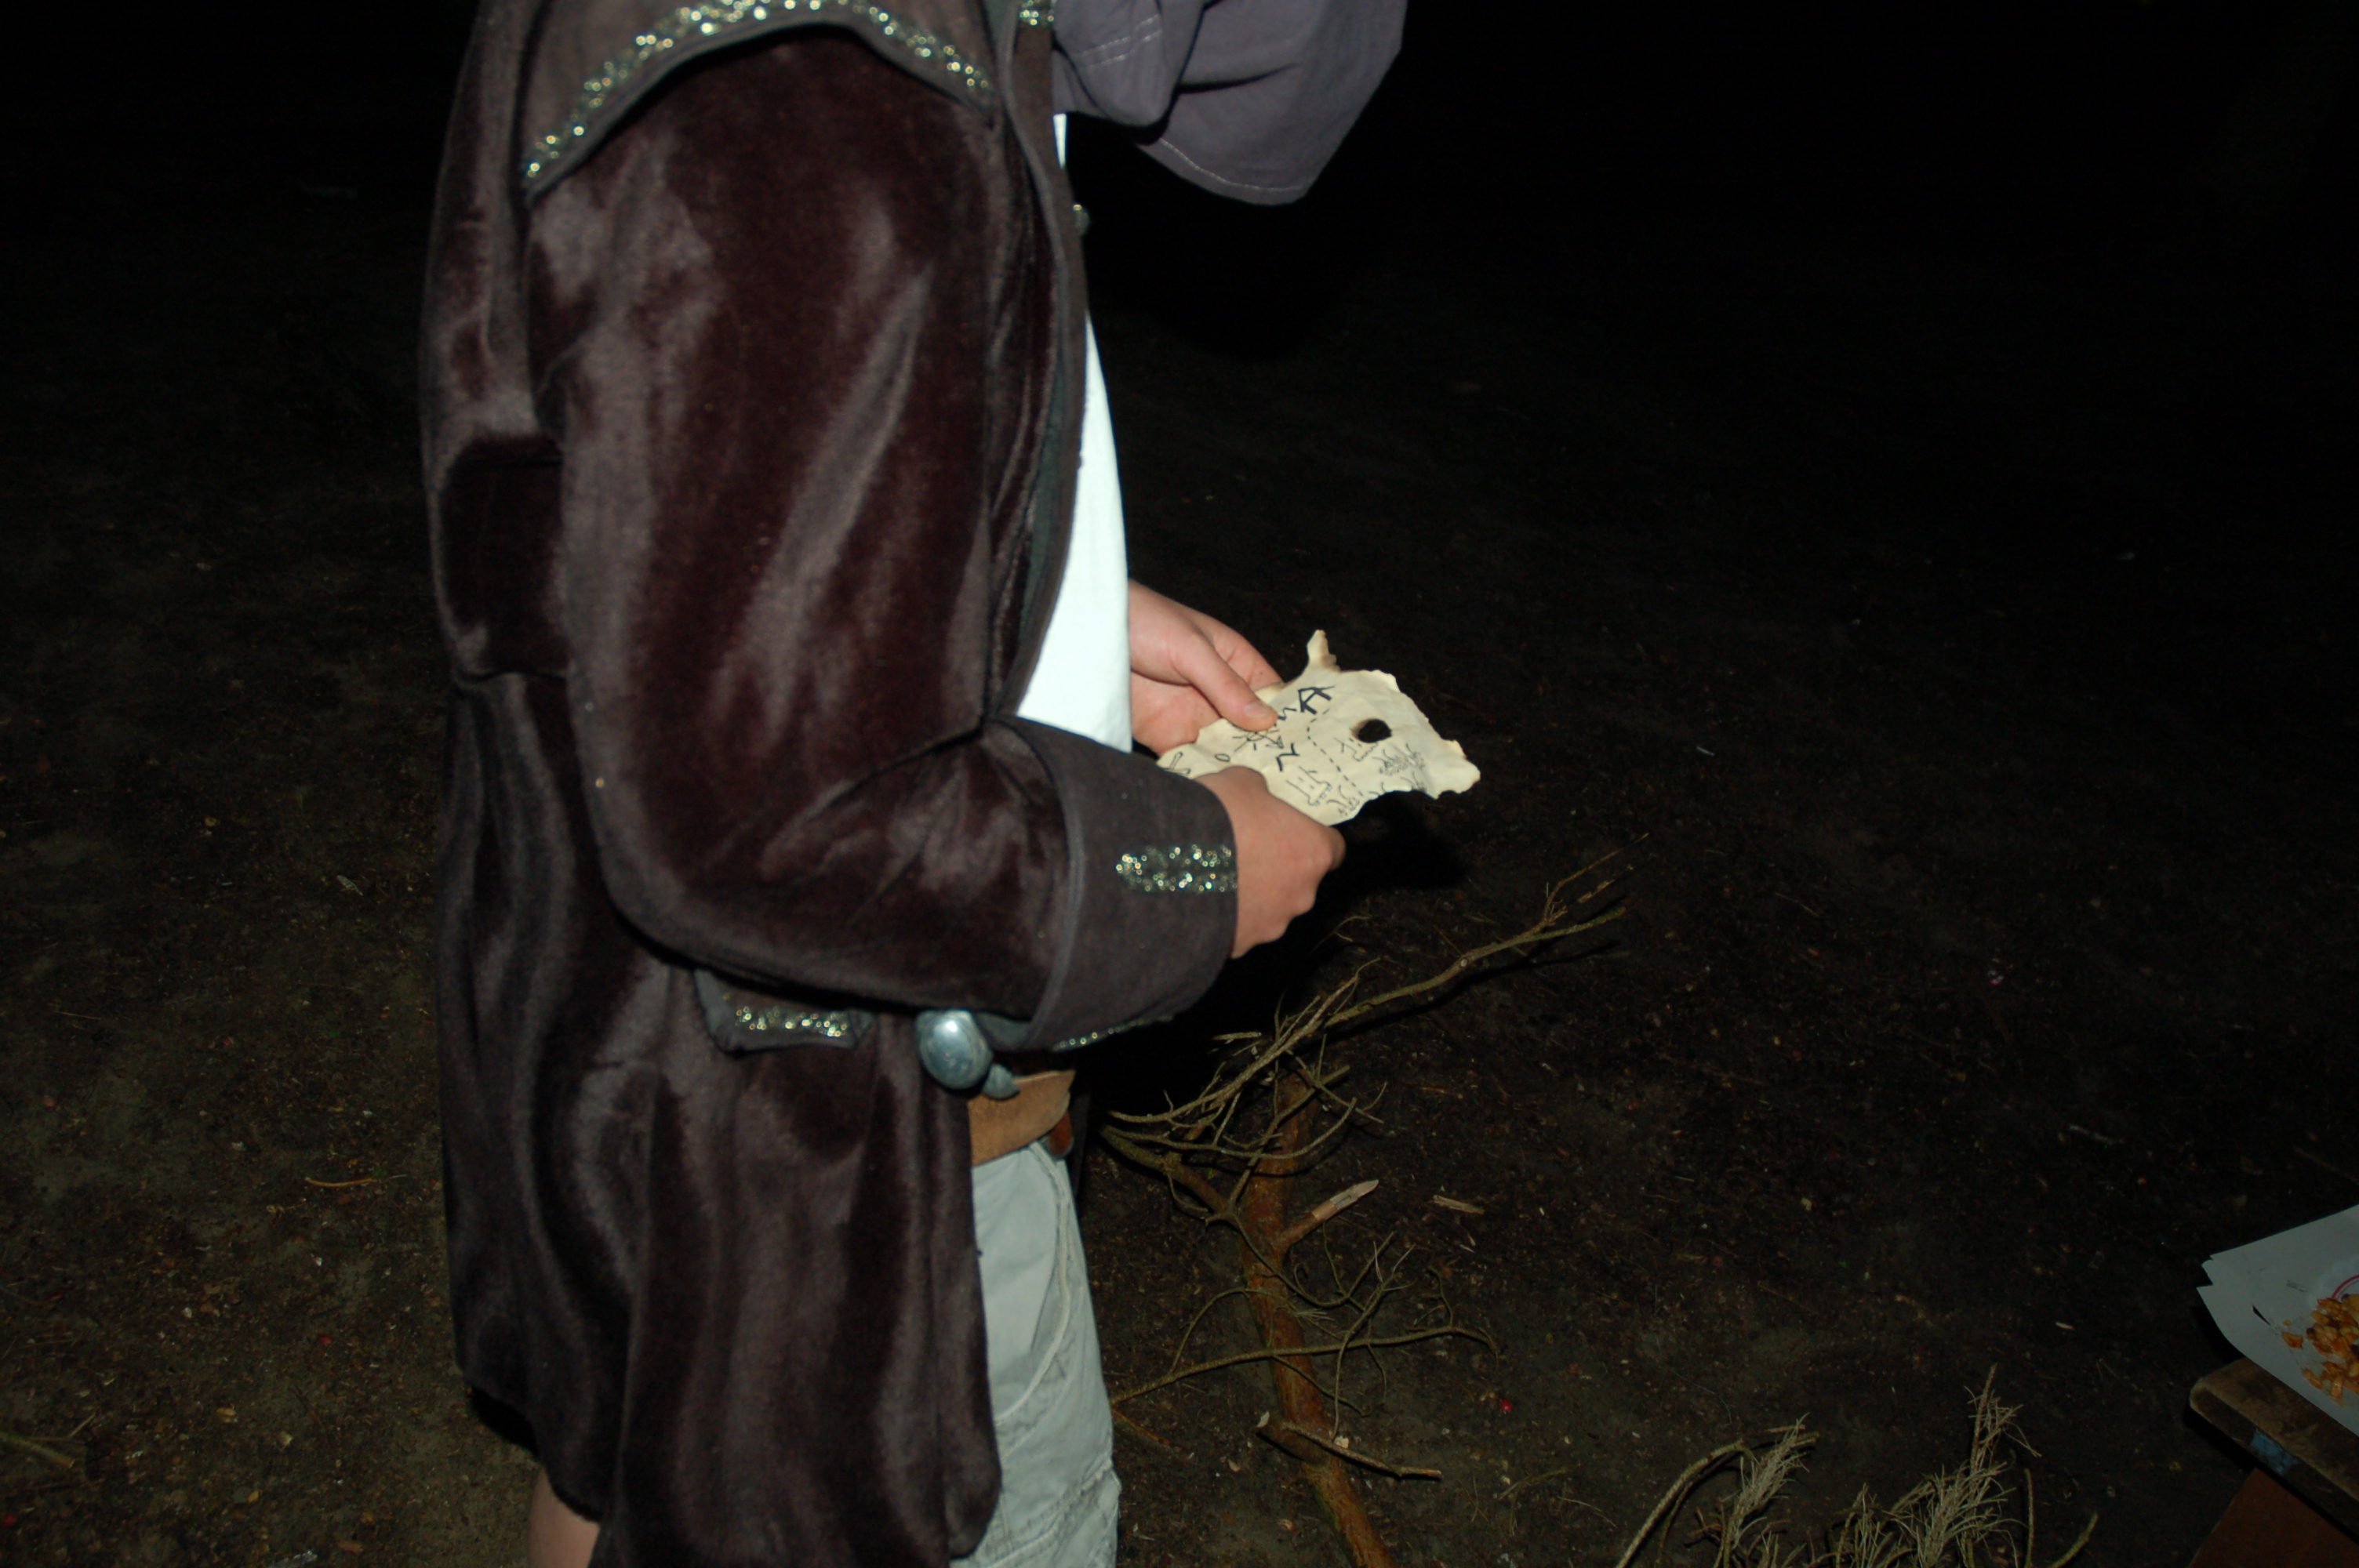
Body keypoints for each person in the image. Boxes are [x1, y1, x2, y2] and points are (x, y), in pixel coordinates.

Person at [420, 1, 1401, 1563]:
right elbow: (760, 814)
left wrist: (1037, 605)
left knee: (631, 1462)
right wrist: (1184, 872)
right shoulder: (822, 76)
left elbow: (664, 515)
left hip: (616, 1019)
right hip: (811, 1105)